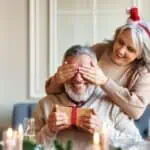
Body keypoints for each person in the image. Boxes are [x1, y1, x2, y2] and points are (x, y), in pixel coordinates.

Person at [45, 7, 150, 120]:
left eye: (130, 49)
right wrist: (57, 80)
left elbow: (136, 111)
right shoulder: (98, 50)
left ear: (140, 54)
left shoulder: (143, 73)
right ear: (116, 37)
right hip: (77, 118)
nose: (121, 50)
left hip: (112, 127)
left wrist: (105, 82)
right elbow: (50, 91)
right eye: (120, 42)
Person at [33, 45, 141, 150]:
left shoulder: (112, 104)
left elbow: (137, 144)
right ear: (62, 71)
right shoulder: (45, 104)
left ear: (95, 72)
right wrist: (48, 131)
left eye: (85, 72)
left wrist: (103, 130)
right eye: (72, 71)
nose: (78, 79)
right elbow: (29, 146)